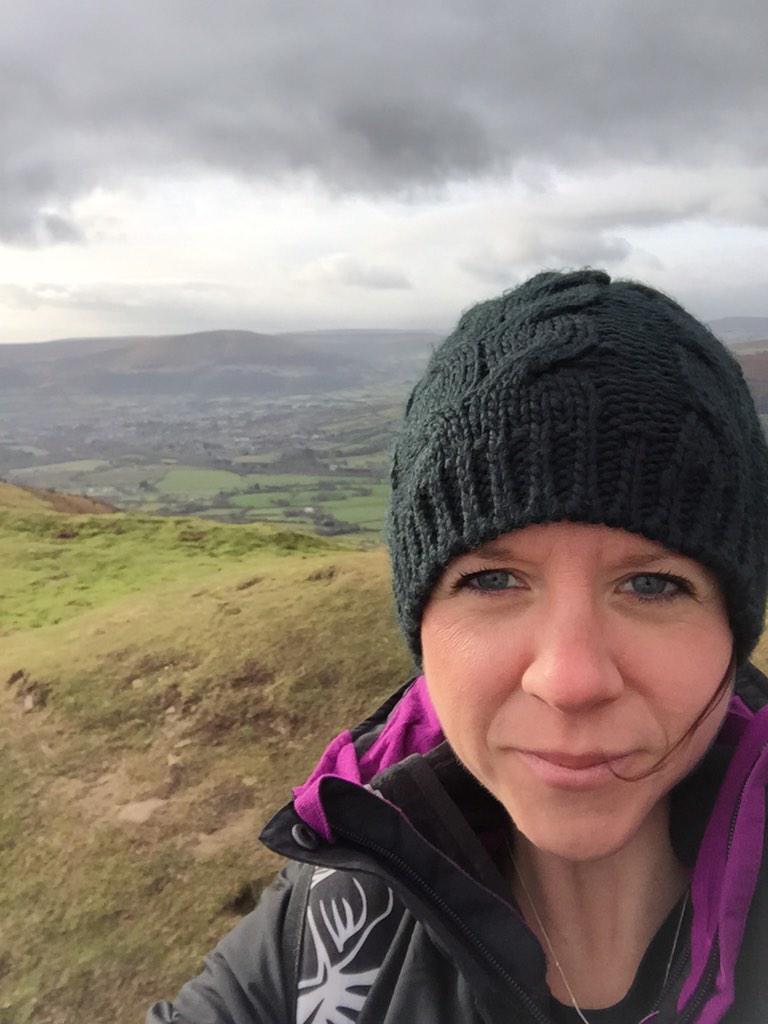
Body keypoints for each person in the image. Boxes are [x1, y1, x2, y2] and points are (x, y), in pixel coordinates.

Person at [148, 269, 768, 1024]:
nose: (569, 680)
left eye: (653, 586)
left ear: (733, 635)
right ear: (421, 628)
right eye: (494, 579)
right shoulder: (330, 932)